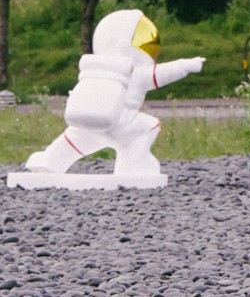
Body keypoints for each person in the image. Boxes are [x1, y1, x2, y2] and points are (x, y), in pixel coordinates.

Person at [21, 9, 203, 183]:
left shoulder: (90, 67)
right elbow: (162, 73)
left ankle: (49, 162)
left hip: (88, 122)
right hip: (122, 125)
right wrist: (186, 65)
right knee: (148, 126)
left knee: (71, 139)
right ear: (125, 44)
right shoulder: (136, 72)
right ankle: (131, 167)